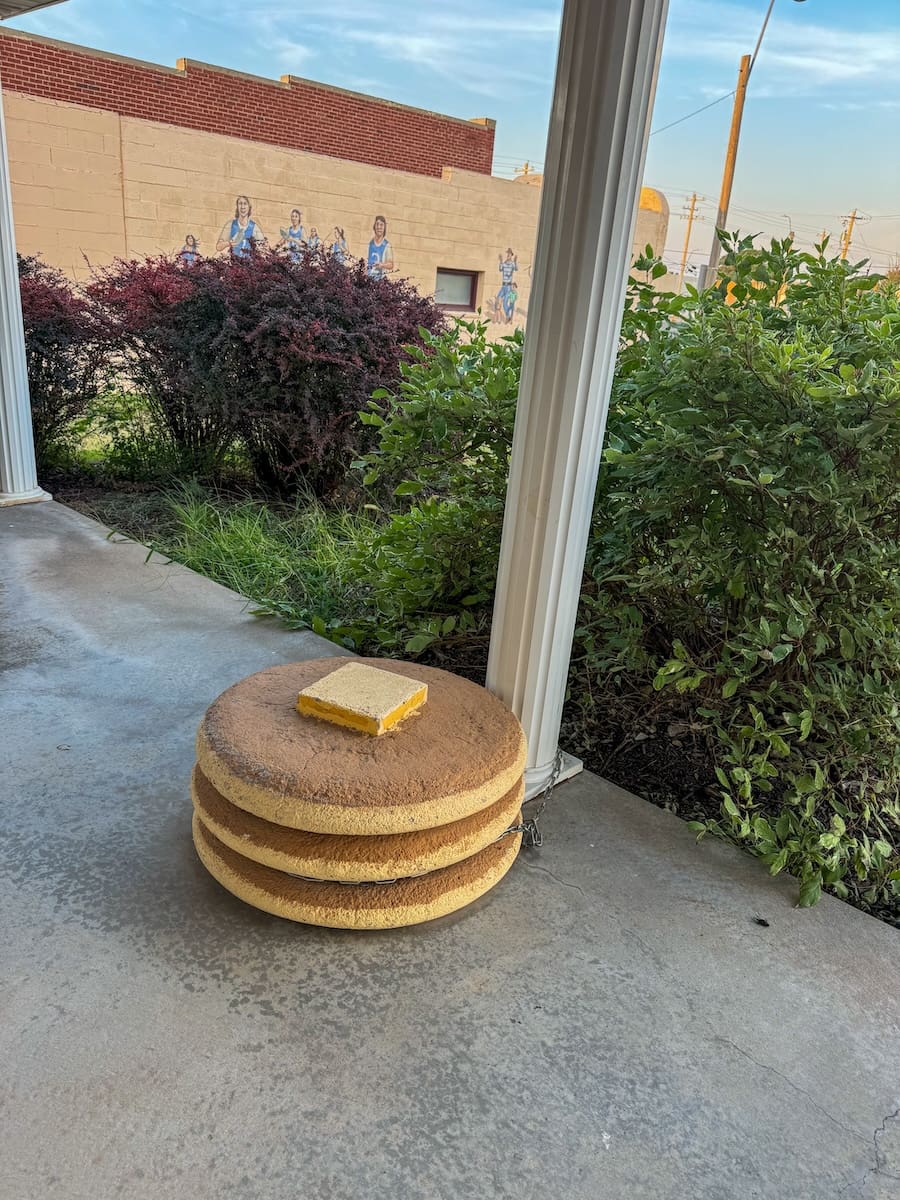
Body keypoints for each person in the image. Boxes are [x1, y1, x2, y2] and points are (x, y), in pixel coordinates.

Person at [496, 248, 518, 323]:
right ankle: (501, 318)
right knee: (498, 298)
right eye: (507, 253)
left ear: (511, 255)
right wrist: (501, 261)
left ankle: (508, 316)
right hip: (503, 286)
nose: (508, 255)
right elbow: (500, 269)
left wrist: (515, 261)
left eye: (509, 253)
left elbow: (516, 268)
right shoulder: (504, 263)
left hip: (508, 286)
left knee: (505, 302)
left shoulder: (512, 264)